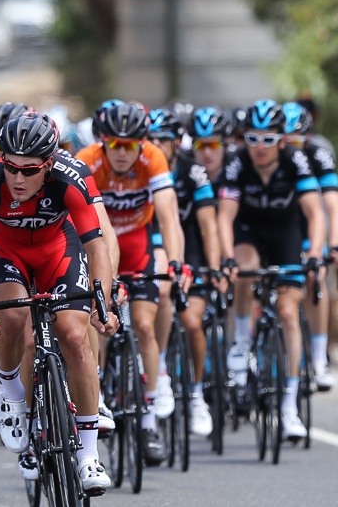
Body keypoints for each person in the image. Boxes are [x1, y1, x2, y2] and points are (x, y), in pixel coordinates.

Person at [0, 113, 118, 494]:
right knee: (13, 318)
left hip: (57, 250)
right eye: (11, 168)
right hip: (7, 253)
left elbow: (97, 246)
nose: (18, 179)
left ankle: (87, 455)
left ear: (48, 165)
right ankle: (13, 397)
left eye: (29, 171)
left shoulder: (70, 177)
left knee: (75, 337)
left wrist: (103, 302)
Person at [75, 101, 190, 466]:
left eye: (130, 146)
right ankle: (98, 393)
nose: (122, 153)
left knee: (143, 324)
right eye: (115, 145)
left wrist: (174, 262)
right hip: (95, 245)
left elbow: (169, 216)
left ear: (142, 144)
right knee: (97, 319)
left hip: (137, 242)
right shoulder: (86, 159)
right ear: (103, 142)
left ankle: (149, 418)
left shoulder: (154, 158)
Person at [216, 99, 326, 440]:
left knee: (288, 312)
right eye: (252, 139)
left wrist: (316, 254)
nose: (259, 148)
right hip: (248, 230)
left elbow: (315, 214)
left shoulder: (297, 161)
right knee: (245, 267)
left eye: (267, 140)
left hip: (284, 233)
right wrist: (226, 258)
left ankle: (290, 407)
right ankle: (241, 340)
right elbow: (225, 216)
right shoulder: (236, 163)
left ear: (281, 140)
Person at [147, 106, 220, 437]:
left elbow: (208, 225)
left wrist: (215, 267)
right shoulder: (140, 169)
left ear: (177, 142)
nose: (156, 145)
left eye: (164, 139)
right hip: (148, 244)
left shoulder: (194, 171)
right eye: (151, 139)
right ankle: (155, 371)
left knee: (192, 322)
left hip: (186, 245)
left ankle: (195, 394)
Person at [283, 101, 338, 391]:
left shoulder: (318, 154)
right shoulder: (267, 155)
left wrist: (336, 245)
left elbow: (333, 205)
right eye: (286, 140)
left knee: (316, 275)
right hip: (279, 224)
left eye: (297, 140)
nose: (291, 147)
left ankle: (320, 359)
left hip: (310, 224)